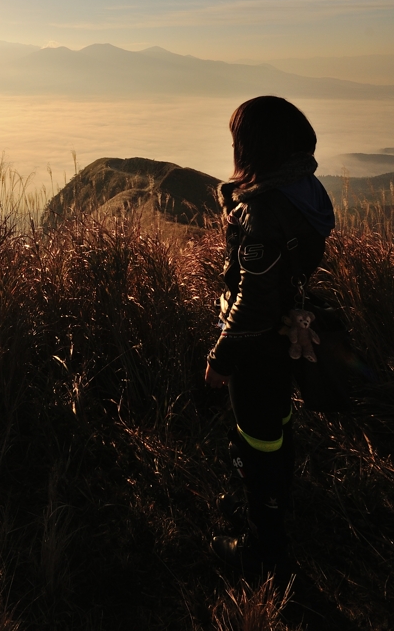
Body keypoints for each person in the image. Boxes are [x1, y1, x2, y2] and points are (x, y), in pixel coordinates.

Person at [205, 96, 335, 578]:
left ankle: (264, 549)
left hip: (258, 342)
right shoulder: (306, 190)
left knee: (256, 437)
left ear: (253, 145)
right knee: (277, 427)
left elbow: (253, 300)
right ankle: (272, 506)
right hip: (287, 331)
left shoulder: (260, 211)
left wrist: (221, 358)